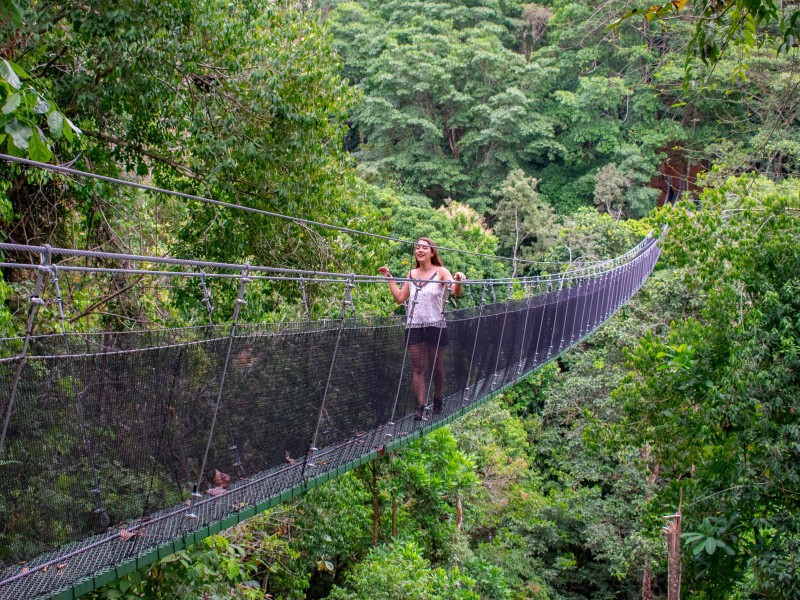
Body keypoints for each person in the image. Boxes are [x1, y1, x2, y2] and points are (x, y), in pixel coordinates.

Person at [378, 237, 465, 420]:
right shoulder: (411, 274)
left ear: (432, 252)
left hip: (435, 324)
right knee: (418, 367)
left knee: (436, 366)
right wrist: (390, 278)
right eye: (417, 247)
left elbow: (456, 293)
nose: (420, 250)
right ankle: (422, 407)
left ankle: (438, 397)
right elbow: (401, 298)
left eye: (424, 248)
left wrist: (458, 280)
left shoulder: (441, 271)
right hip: (414, 324)